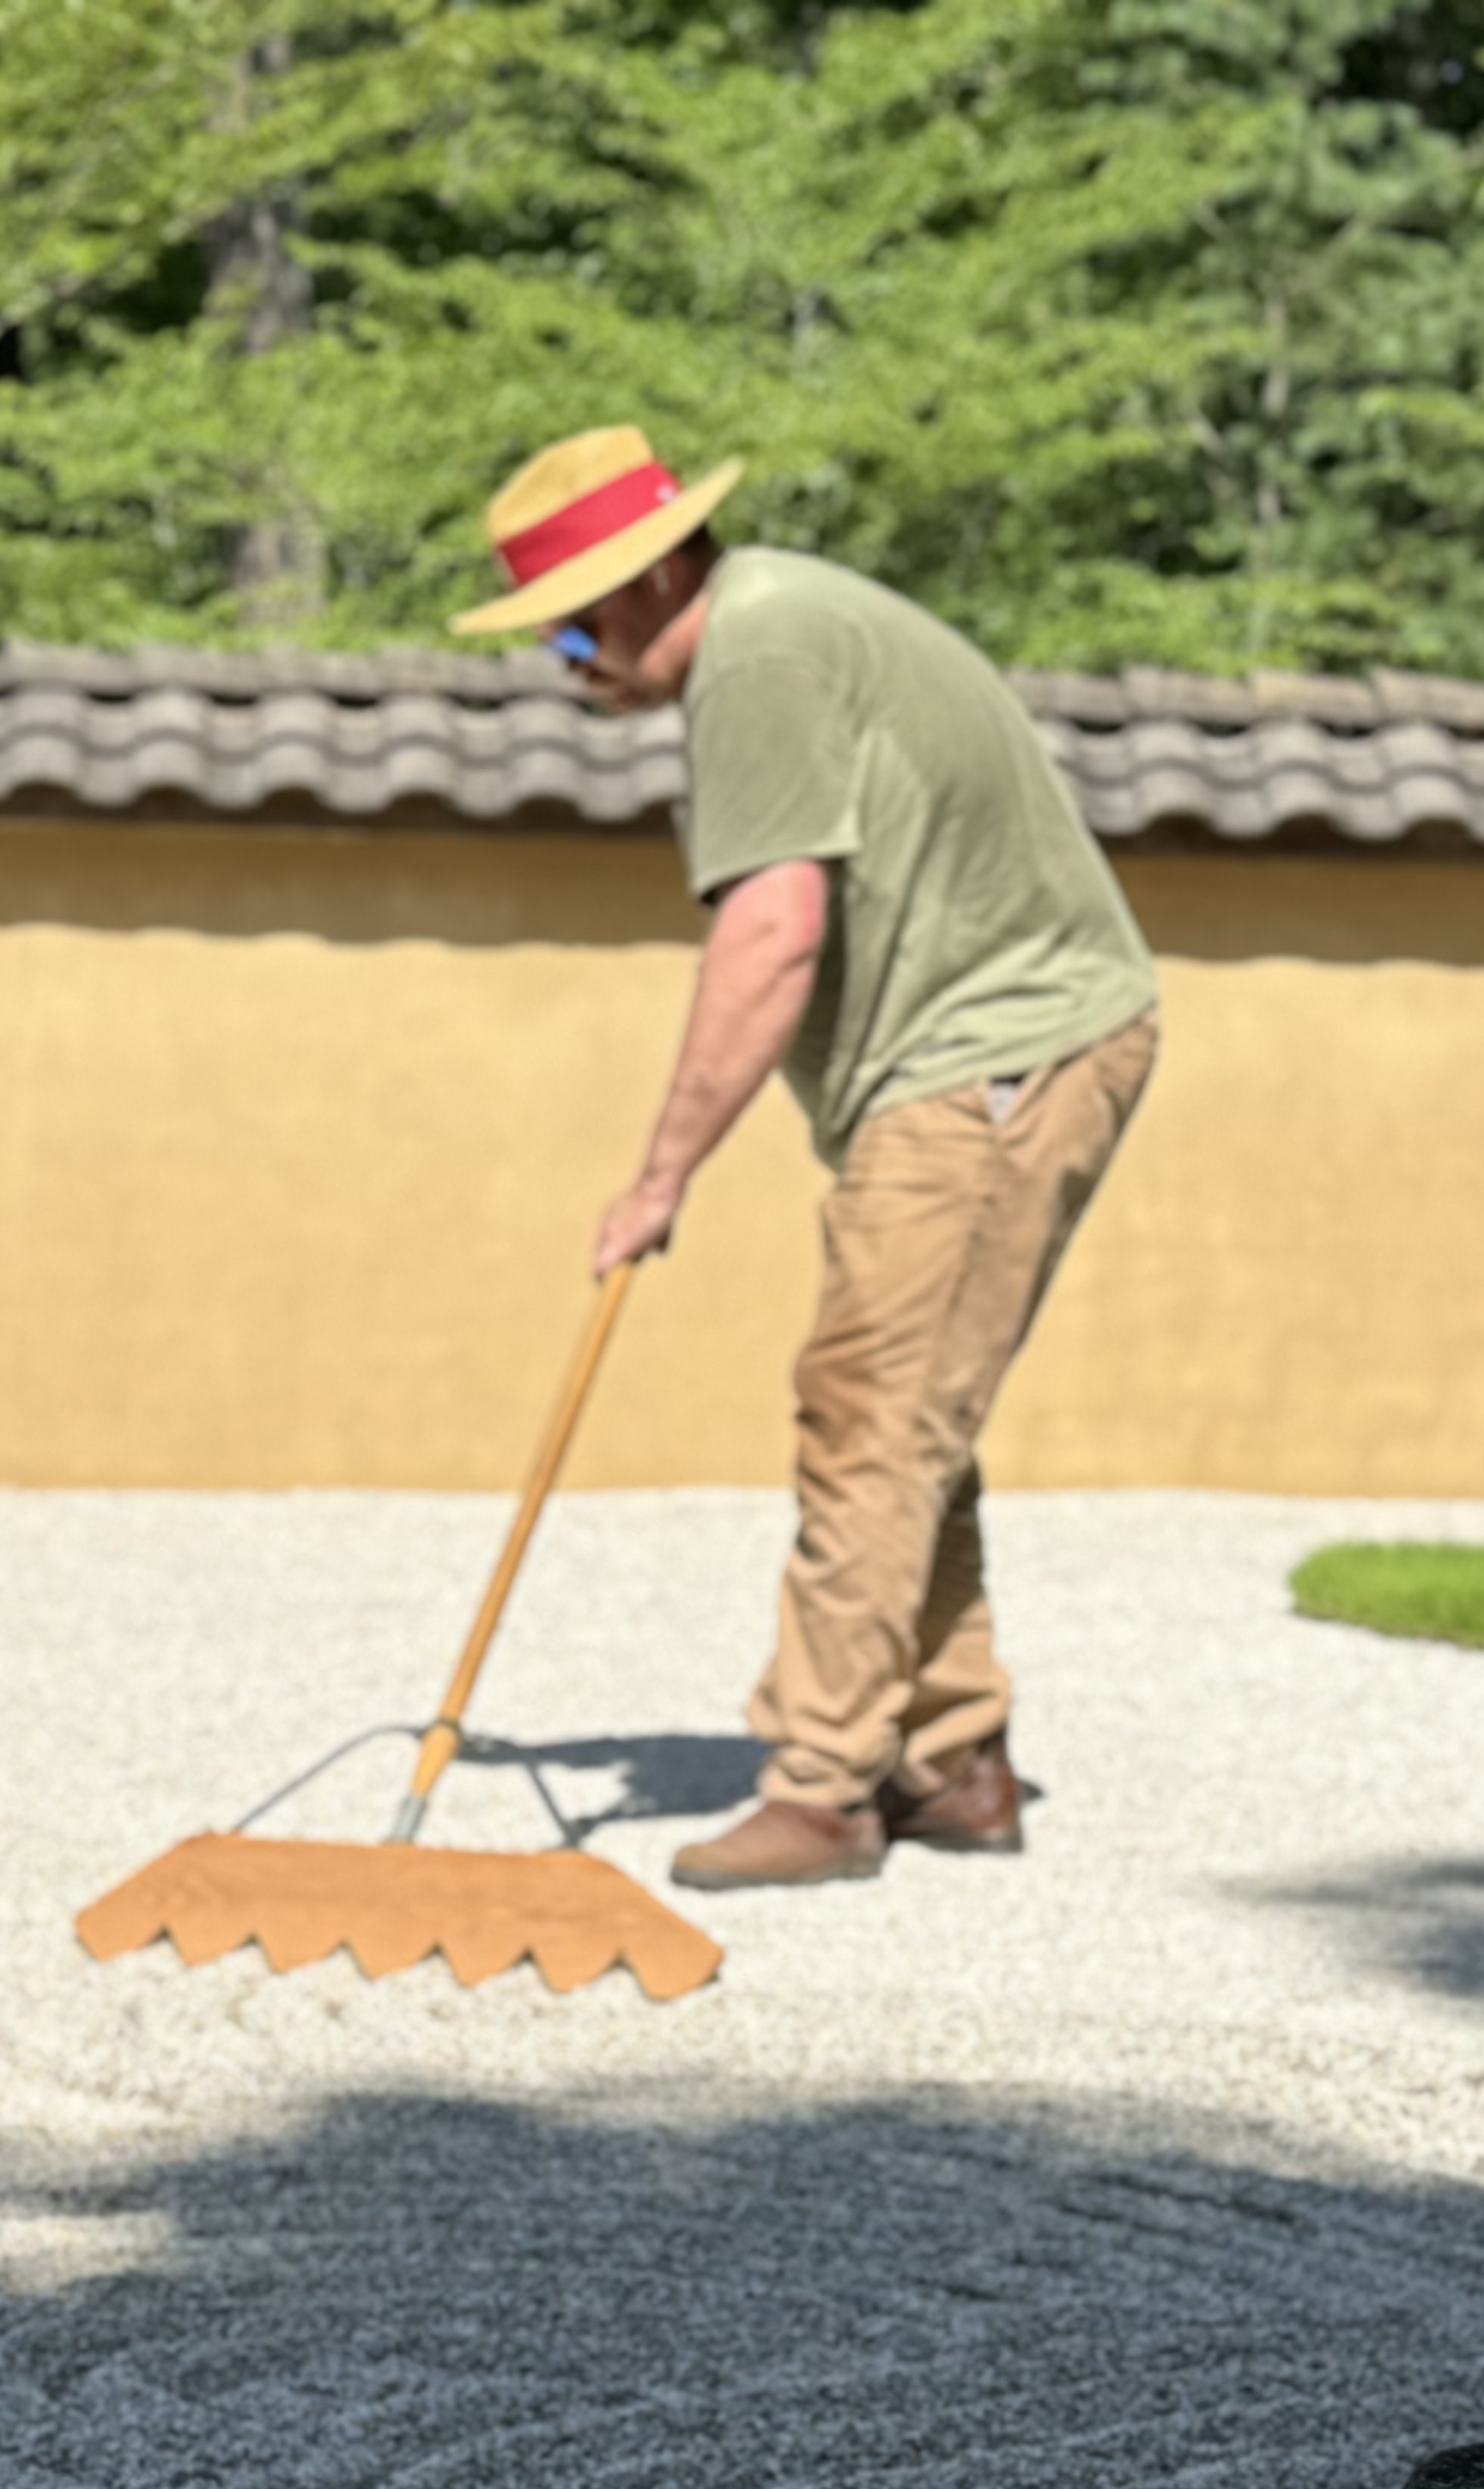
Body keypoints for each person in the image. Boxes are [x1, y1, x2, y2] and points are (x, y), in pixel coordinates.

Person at [449, 427, 1161, 1892]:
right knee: (904, 1408)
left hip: (990, 1060)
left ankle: (825, 1786)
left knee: (871, 1417)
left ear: (655, 579)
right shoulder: (784, 619)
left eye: (575, 626)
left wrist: (662, 1175)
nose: (567, 663)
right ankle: (951, 1760)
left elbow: (773, 931)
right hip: (989, 1054)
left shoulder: (759, 653)